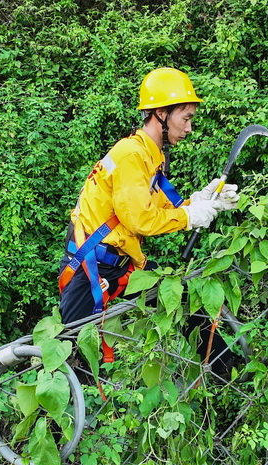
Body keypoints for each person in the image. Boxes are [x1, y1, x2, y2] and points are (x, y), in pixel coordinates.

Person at [58, 67, 240, 332]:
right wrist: (189, 217)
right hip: (91, 266)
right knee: (73, 347)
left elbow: (161, 207)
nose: (189, 128)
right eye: (186, 118)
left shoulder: (149, 154)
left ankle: (224, 358)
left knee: (184, 302)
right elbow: (141, 220)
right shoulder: (132, 156)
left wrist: (200, 201)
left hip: (119, 263)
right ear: (162, 113)